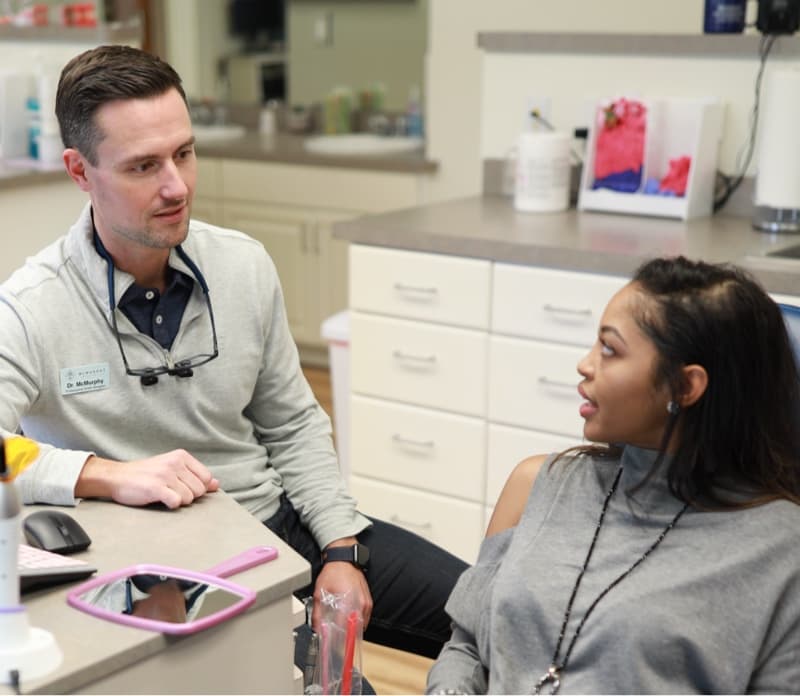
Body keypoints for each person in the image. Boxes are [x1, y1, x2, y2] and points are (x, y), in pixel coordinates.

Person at [0, 44, 466, 672]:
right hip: (162, 567)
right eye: (143, 166)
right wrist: (107, 473)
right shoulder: (31, 308)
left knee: (506, 614)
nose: (177, 186)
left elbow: (294, 423)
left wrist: (340, 550)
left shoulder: (242, 265)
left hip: (279, 521)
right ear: (80, 172)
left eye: (185, 154)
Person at [426, 256, 800, 694]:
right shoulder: (539, 486)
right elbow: (467, 642)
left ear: (686, 386)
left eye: (610, 350)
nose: (586, 365)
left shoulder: (780, 550)